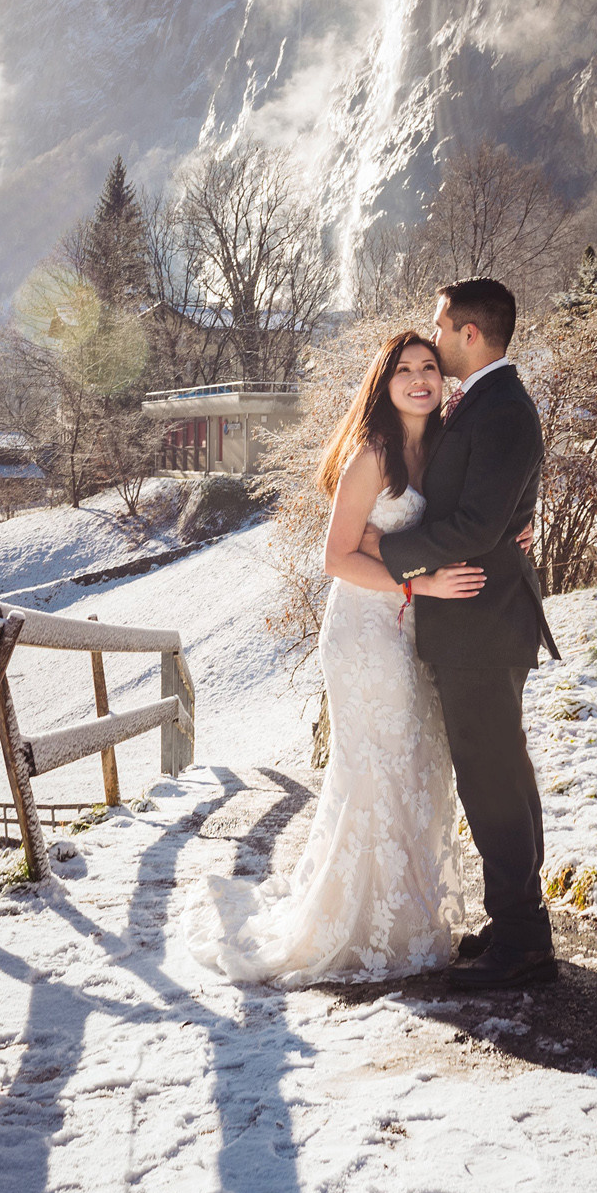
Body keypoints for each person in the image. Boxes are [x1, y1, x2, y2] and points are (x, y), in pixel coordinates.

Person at [184, 330, 484, 985]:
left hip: (407, 631)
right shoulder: (373, 455)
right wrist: (421, 583)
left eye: (428, 367)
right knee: (377, 769)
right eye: (403, 369)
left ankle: (407, 917)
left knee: (414, 763)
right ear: (384, 383)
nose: (418, 378)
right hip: (363, 634)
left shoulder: (436, 447)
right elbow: (336, 557)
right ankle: (363, 927)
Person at [368, 277, 560, 989]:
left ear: (468, 333)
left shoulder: (503, 408)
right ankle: (518, 919)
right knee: (498, 773)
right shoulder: (480, 402)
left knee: (495, 779)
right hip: (479, 618)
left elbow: (478, 524)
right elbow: (492, 510)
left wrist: (383, 557)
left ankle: (523, 936)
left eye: (439, 326)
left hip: (483, 622)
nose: (435, 337)